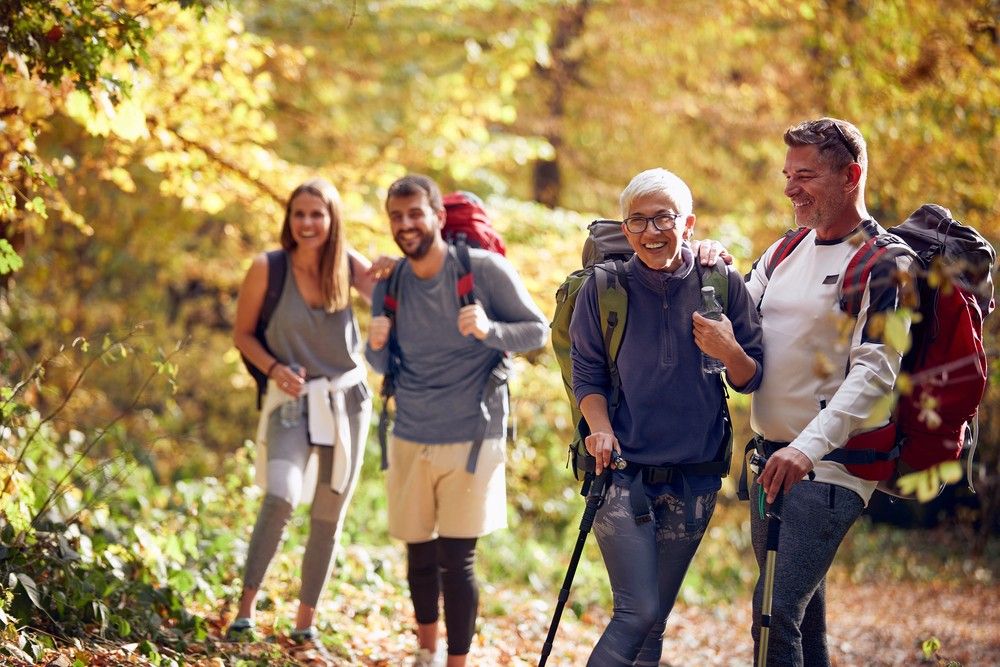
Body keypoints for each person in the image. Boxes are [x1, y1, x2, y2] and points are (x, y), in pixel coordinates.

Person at [569, 168, 764, 666]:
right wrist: (601, 431)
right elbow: (587, 375)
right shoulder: (604, 288)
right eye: (638, 221)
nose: (651, 232)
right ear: (625, 227)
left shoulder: (721, 281)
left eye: (663, 218)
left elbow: (751, 377)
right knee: (636, 611)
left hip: (694, 478)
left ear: (689, 222)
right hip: (621, 472)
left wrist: (729, 348)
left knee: (654, 622)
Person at [744, 118, 913, 666]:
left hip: (830, 468)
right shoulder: (784, 250)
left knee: (773, 614)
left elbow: (875, 374)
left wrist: (805, 448)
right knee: (800, 616)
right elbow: (735, 320)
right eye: (787, 174)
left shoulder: (888, 265)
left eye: (807, 175)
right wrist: (707, 262)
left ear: (851, 175)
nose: (791, 187)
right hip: (769, 462)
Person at [365, 174, 548, 667]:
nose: (406, 225)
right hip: (409, 433)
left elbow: (537, 332)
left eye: (415, 214)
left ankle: (457, 662)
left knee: (456, 559)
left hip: (472, 434)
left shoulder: (484, 270)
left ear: (438, 217)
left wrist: (489, 331)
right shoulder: (391, 282)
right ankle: (425, 653)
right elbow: (383, 368)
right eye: (396, 217)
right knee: (419, 555)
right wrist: (375, 342)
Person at [228, 178, 377, 657]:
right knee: (280, 496)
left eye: (318, 214)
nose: (308, 223)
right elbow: (243, 334)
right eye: (300, 214)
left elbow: (399, 303)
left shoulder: (348, 265)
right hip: (291, 403)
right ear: (289, 220)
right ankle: (244, 611)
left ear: (332, 219)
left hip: (346, 403)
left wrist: (394, 274)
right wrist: (273, 369)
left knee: (328, 515)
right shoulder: (267, 269)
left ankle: (305, 623)